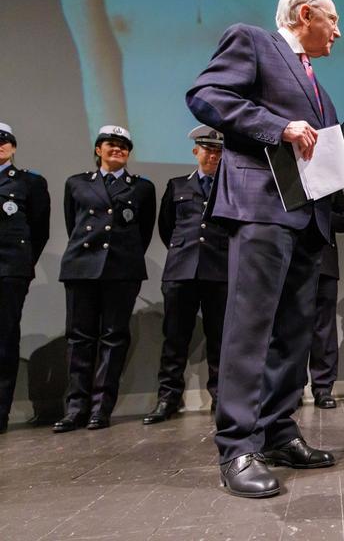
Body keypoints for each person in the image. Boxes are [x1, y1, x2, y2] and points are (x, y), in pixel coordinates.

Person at [186, 0, 344, 498]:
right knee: (249, 329)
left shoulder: (316, 87)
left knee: (291, 335)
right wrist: (277, 127)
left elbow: (328, 146)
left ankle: (279, 432)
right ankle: (237, 446)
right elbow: (206, 96)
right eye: (334, 19)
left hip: (308, 221)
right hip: (261, 209)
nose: (339, 31)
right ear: (306, 14)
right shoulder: (253, 42)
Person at [54, 125, 156, 433]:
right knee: (79, 340)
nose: (118, 149)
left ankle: (101, 409)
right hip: (82, 268)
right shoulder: (77, 183)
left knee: (113, 339)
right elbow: (73, 222)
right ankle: (75, 409)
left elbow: (145, 231)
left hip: (121, 270)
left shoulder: (141, 187)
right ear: (98, 149)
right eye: (111, 144)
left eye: (124, 146)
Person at [143, 125, 228, 424]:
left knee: (220, 339)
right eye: (207, 149)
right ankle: (168, 397)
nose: (213, 155)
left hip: (220, 272)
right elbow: (167, 229)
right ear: (196, 151)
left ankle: (221, 397)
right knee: (175, 338)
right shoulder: (177, 185)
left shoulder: (230, 188)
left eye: (219, 150)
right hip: (181, 271)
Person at [0, 123, 51, 434]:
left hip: (9, 270)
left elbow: (39, 230)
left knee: (4, 341)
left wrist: (22, 264)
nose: (0, 145)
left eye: (5, 141)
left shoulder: (30, 182)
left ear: (14, 147)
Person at [304, 190, 344, 409]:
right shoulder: (286, 174)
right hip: (292, 262)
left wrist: (318, 215)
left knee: (324, 330)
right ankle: (291, 389)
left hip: (325, 264)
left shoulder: (330, 182)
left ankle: (323, 388)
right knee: (291, 329)